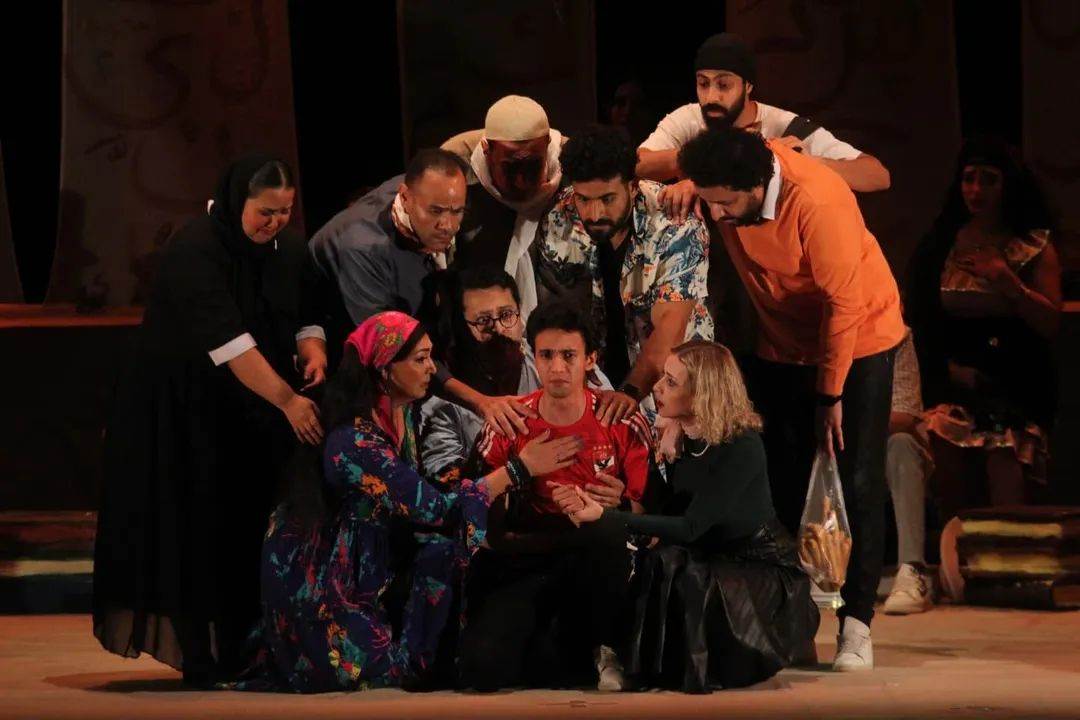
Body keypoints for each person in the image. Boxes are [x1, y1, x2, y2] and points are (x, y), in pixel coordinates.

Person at [234, 311, 580, 692]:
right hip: (325, 587)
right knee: (385, 671)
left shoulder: (404, 417)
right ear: (385, 369)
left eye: (431, 356)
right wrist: (518, 469)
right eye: (420, 359)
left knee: (444, 551)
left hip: (375, 565)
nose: (432, 368)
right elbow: (433, 508)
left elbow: (438, 495)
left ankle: (435, 657)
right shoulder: (353, 440)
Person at [93, 156, 327, 685]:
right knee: (195, 524)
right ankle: (201, 654)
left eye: (285, 211)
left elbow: (310, 308)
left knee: (248, 521)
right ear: (237, 202)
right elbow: (231, 347)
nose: (275, 223)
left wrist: (311, 348)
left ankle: (250, 647)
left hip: (249, 407)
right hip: (184, 411)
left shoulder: (288, 248)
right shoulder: (195, 250)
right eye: (265, 212)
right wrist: (289, 402)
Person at [678, 127, 905, 671]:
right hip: (783, 339)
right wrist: (686, 186)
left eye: (723, 202)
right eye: (710, 201)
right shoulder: (727, 185)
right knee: (777, 477)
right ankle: (788, 617)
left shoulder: (818, 200)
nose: (716, 213)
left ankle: (856, 623)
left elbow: (844, 306)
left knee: (856, 477)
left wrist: (830, 395)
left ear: (756, 187)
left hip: (859, 337)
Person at [557, 340, 819, 692]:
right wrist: (645, 472)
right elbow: (667, 511)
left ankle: (685, 667)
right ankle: (621, 656)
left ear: (701, 394)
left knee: (683, 571)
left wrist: (606, 517)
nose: (657, 388)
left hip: (758, 565)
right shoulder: (685, 435)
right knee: (661, 561)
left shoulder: (741, 446)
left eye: (671, 382)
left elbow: (691, 527)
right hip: (711, 554)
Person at [459, 302, 653, 692]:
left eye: (569, 355)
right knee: (482, 669)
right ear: (533, 355)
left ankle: (607, 647)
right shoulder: (510, 421)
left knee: (605, 535)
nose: (557, 367)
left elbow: (651, 517)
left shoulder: (622, 419)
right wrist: (521, 472)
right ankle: (556, 648)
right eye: (546, 355)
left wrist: (618, 506)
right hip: (528, 558)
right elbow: (475, 515)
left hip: (599, 560)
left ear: (590, 359)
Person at [906, 137, 1061, 521]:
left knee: (1006, 486)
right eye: (969, 178)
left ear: (1009, 185)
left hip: (1014, 386)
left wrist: (1009, 283)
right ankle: (956, 555)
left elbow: (1049, 323)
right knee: (952, 486)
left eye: (989, 179)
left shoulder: (1033, 244)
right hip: (953, 383)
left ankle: (1009, 555)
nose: (976, 189)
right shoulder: (941, 243)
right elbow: (921, 318)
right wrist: (946, 369)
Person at [535, 126, 713, 419]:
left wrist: (629, 393)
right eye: (583, 199)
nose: (594, 214)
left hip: (673, 390)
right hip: (597, 380)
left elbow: (670, 327)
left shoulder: (675, 225)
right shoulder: (559, 218)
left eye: (607, 199)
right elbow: (558, 315)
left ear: (632, 187)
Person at [637, 32, 890, 224]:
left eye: (723, 85)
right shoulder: (689, 118)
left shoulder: (787, 126)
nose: (711, 96)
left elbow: (878, 176)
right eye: (703, 84)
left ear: (748, 86)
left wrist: (792, 161)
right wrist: (705, 161)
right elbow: (638, 164)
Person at [419, 266, 610, 478]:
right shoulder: (446, 405)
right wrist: (516, 469)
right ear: (460, 327)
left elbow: (612, 424)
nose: (499, 329)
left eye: (506, 315)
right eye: (483, 321)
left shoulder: (553, 358)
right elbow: (447, 487)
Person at [308, 148, 467, 351]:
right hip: (340, 329)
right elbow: (385, 347)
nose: (448, 226)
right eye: (435, 211)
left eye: (457, 211)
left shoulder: (429, 188)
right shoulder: (362, 248)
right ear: (405, 198)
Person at [441, 95, 568, 321]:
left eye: (532, 166)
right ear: (486, 150)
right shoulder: (457, 171)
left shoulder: (571, 166)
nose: (521, 182)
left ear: (547, 143)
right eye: (510, 168)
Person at [883, 328, 935, 615]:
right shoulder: (808, 332)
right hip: (833, 445)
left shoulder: (894, 334)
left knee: (902, 443)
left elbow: (903, 414)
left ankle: (911, 571)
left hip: (873, 444)